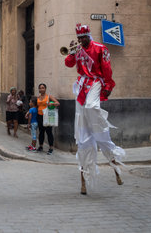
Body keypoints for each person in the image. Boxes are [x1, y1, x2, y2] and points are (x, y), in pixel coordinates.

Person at [65, 23, 124, 195]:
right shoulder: (78, 50)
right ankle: (84, 181)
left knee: (92, 107)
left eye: (83, 38)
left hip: (96, 82)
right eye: (79, 38)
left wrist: (108, 85)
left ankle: (99, 122)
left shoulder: (100, 48)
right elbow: (69, 64)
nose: (81, 40)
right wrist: (71, 52)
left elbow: (106, 68)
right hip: (82, 86)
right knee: (83, 140)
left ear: (89, 36)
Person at [36, 83, 60, 155]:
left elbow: (57, 103)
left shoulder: (49, 96)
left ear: (45, 89)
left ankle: (51, 147)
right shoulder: (38, 97)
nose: (41, 89)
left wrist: (52, 104)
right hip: (39, 116)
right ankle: (41, 146)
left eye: (43, 88)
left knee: (49, 132)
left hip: (47, 117)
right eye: (40, 88)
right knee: (41, 132)